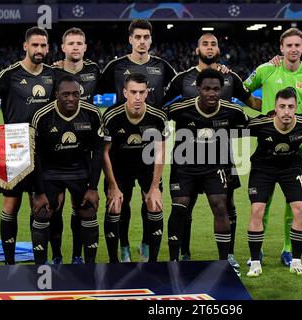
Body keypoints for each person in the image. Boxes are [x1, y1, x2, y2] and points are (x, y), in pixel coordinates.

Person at [163, 32, 261, 272]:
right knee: (184, 205)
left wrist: (280, 101)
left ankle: (228, 256)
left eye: (213, 43)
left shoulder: (230, 77)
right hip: (186, 156)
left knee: (226, 204)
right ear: (197, 49)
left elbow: (252, 105)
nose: (209, 47)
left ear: (219, 48)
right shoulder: (183, 78)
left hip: (222, 156)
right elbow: (160, 106)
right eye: (204, 43)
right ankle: (182, 253)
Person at [243, 27, 302, 267]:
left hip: (298, 147)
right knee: (264, 200)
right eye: (289, 45)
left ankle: (287, 249)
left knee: (293, 201)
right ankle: (258, 250)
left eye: (297, 45)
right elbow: (242, 91)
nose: (293, 49)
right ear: (281, 48)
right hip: (268, 145)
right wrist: (261, 109)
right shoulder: (266, 69)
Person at [0, 27, 54, 265]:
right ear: (25, 46)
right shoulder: (9, 74)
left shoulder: (53, 74)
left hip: (45, 149)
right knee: (11, 204)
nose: (39, 50)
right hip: (16, 148)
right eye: (35, 45)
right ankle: (9, 264)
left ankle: (40, 262)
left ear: (48, 48)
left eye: (43, 45)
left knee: (39, 205)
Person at [99, 19, 176, 262]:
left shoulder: (162, 66)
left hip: (149, 151)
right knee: (119, 203)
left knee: (151, 203)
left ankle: (146, 245)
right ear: (130, 39)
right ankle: (122, 247)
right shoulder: (115, 66)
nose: (142, 41)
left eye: (146, 37)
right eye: (138, 37)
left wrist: (220, 69)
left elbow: (185, 86)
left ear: (151, 40)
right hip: (120, 154)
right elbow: (89, 85)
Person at [167, 68, 248, 266]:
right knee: (180, 208)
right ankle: (175, 259)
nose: (211, 93)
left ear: (221, 90)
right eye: (206, 89)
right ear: (198, 89)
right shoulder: (180, 109)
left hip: (214, 167)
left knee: (221, 206)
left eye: (216, 89)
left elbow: (250, 127)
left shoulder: (233, 111)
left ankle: (225, 261)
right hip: (184, 167)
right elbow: (157, 118)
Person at [246, 87, 302, 277]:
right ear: (275, 108)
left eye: (291, 106)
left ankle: (296, 261)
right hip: (263, 168)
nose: (287, 112)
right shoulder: (261, 124)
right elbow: (233, 129)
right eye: (282, 106)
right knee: (257, 210)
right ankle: (255, 262)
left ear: (297, 107)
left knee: (300, 209)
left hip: (290, 168)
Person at [30, 75, 104, 265]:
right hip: (50, 171)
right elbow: (35, 155)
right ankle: (44, 266)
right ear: (56, 95)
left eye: (75, 94)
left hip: (80, 170)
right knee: (43, 211)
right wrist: (38, 192)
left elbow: (98, 151)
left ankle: (89, 267)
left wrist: (93, 187)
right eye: (65, 94)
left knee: (88, 211)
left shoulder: (92, 113)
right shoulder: (42, 116)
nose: (71, 98)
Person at [102, 73, 167, 263]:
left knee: (154, 205)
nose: (137, 97)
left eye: (141, 92)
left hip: (147, 167)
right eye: (133, 92)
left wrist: (154, 187)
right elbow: (104, 153)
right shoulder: (112, 116)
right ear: (125, 93)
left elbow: (161, 152)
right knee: (116, 206)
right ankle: (120, 252)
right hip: (120, 168)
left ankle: (149, 252)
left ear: (147, 93)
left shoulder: (158, 116)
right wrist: (113, 186)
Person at [50, 27, 101, 265]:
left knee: (79, 206)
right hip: (56, 148)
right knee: (55, 207)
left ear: (85, 46)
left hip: (85, 148)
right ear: (63, 47)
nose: (75, 47)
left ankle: (78, 255)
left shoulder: (95, 70)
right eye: (71, 43)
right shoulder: (53, 71)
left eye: (79, 43)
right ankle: (57, 256)